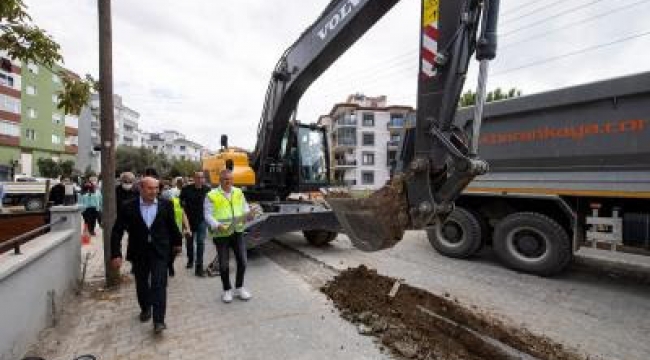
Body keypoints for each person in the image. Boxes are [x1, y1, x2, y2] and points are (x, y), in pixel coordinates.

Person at [110, 177, 182, 334]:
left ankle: (159, 320)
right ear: (141, 189)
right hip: (139, 251)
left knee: (159, 284)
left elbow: (172, 226)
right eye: (150, 188)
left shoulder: (166, 204)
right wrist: (116, 253)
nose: (154, 191)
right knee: (142, 283)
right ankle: (145, 308)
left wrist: (178, 243)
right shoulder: (128, 207)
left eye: (156, 188)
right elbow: (117, 231)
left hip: (160, 251)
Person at [204, 169, 253, 303]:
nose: (229, 182)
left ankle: (239, 287)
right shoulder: (211, 195)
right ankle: (227, 290)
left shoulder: (238, 192)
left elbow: (245, 207)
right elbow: (207, 214)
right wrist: (217, 225)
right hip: (221, 234)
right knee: (224, 265)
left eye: (231, 179)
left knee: (243, 262)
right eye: (226, 180)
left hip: (237, 231)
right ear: (220, 180)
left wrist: (248, 215)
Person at [180, 171, 211, 277]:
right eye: (198, 177)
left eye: (202, 177)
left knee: (200, 242)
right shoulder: (186, 189)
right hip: (188, 221)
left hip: (202, 220)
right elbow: (181, 204)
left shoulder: (207, 190)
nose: (200, 179)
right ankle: (190, 260)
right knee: (189, 242)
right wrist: (184, 221)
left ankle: (199, 267)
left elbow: (211, 205)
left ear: (204, 179)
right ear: (194, 178)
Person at [161, 184, 191, 277]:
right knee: (165, 250)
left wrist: (187, 228)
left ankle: (170, 264)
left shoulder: (177, 202)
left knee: (175, 251)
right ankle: (165, 267)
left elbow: (183, 215)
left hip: (176, 231)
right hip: (164, 232)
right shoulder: (161, 204)